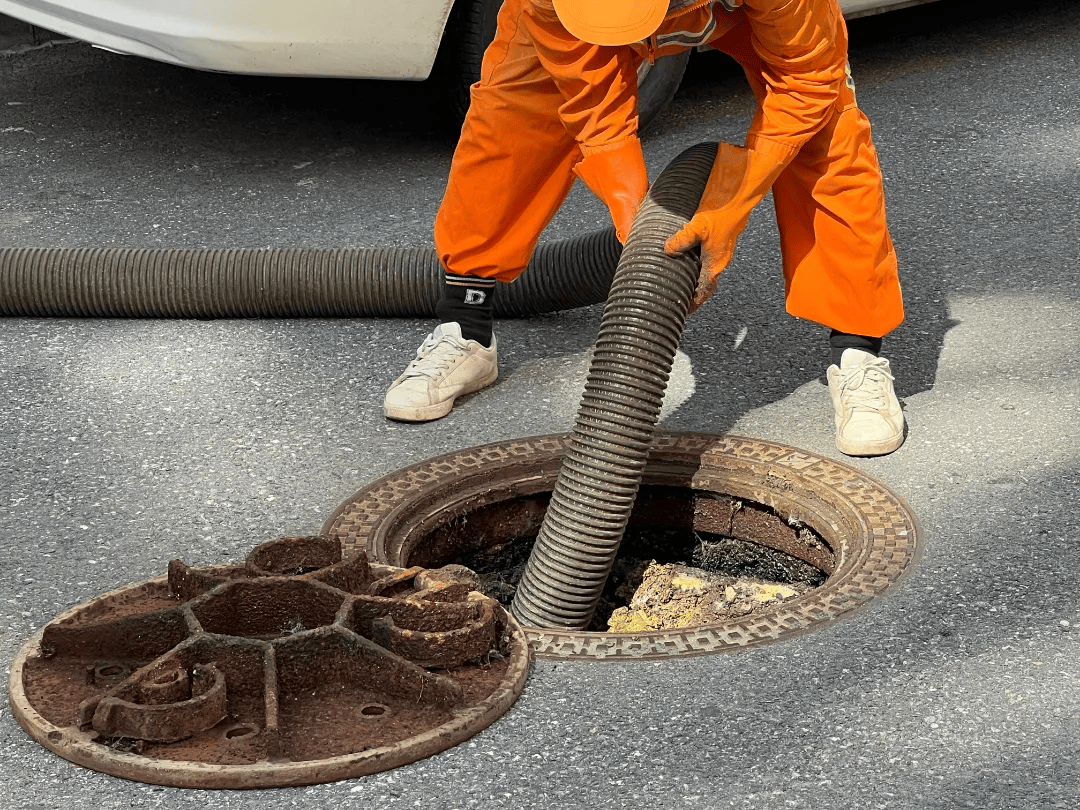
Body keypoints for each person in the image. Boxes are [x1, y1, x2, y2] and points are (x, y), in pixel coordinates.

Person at [383, 0, 906, 457]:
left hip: (740, 9)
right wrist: (639, 223)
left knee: (829, 132)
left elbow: (805, 82)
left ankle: (857, 352)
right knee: (514, 112)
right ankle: (466, 326)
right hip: (570, 20)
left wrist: (732, 206)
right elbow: (596, 110)